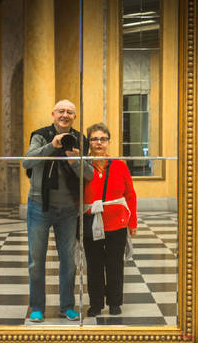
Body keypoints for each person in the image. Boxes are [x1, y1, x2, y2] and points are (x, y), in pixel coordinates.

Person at [22, 99, 93, 322]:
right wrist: (53, 145)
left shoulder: (80, 139)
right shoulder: (41, 135)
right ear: (53, 114)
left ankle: (67, 306)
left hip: (69, 209)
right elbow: (27, 162)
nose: (65, 115)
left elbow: (88, 175)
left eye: (70, 112)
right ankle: (36, 307)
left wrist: (75, 161)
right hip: (38, 206)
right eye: (61, 111)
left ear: (74, 116)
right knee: (36, 260)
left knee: (69, 261)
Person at [83, 122, 137, 317]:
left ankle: (115, 302)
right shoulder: (84, 165)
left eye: (103, 139)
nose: (99, 143)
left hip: (117, 223)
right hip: (91, 223)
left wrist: (132, 222)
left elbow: (130, 195)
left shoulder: (119, 165)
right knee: (94, 264)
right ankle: (96, 304)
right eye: (94, 139)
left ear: (108, 142)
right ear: (89, 142)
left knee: (115, 264)